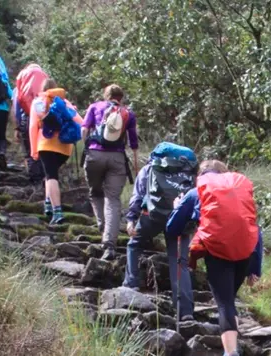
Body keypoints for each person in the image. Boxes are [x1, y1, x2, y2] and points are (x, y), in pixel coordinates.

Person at [170, 160, 262, 356]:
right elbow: (254, 227)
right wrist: (255, 268)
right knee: (229, 298)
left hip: (218, 251)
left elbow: (172, 227)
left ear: (201, 175)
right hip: (245, 252)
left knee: (224, 303)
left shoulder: (197, 191)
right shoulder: (238, 190)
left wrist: (177, 207)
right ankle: (232, 345)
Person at [123, 142, 197, 317]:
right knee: (180, 262)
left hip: (151, 216)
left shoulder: (150, 169)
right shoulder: (188, 173)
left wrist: (131, 219)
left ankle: (131, 284)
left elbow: (138, 196)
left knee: (134, 245)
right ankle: (185, 310)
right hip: (179, 220)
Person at [81, 84, 139, 261]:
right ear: (121, 98)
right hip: (117, 158)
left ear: (106, 96)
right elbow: (133, 141)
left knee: (95, 191)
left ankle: (102, 225)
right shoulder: (128, 113)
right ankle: (109, 245)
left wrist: (87, 148)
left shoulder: (94, 107)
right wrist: (136, 164)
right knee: (113, 199)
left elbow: (84, 129)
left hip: (94, 155)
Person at [29, 79, 83, 227]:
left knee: (51, 176)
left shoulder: (38, 102)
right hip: (65, 147)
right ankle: (48, 203)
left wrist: (33, 149)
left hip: (46, 144)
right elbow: (80, 122)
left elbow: (33, 127)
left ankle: (57, 211)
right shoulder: (64, 102)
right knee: (50, 174)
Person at [12, 64, 49, 183]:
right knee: (44, 149)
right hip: (45, 120)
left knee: (30, 151)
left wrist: (17, 127)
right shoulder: (46, 84)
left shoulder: (19, 88)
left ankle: (35, 181)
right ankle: (46, 178)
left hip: (27, 119)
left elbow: (16, 109)